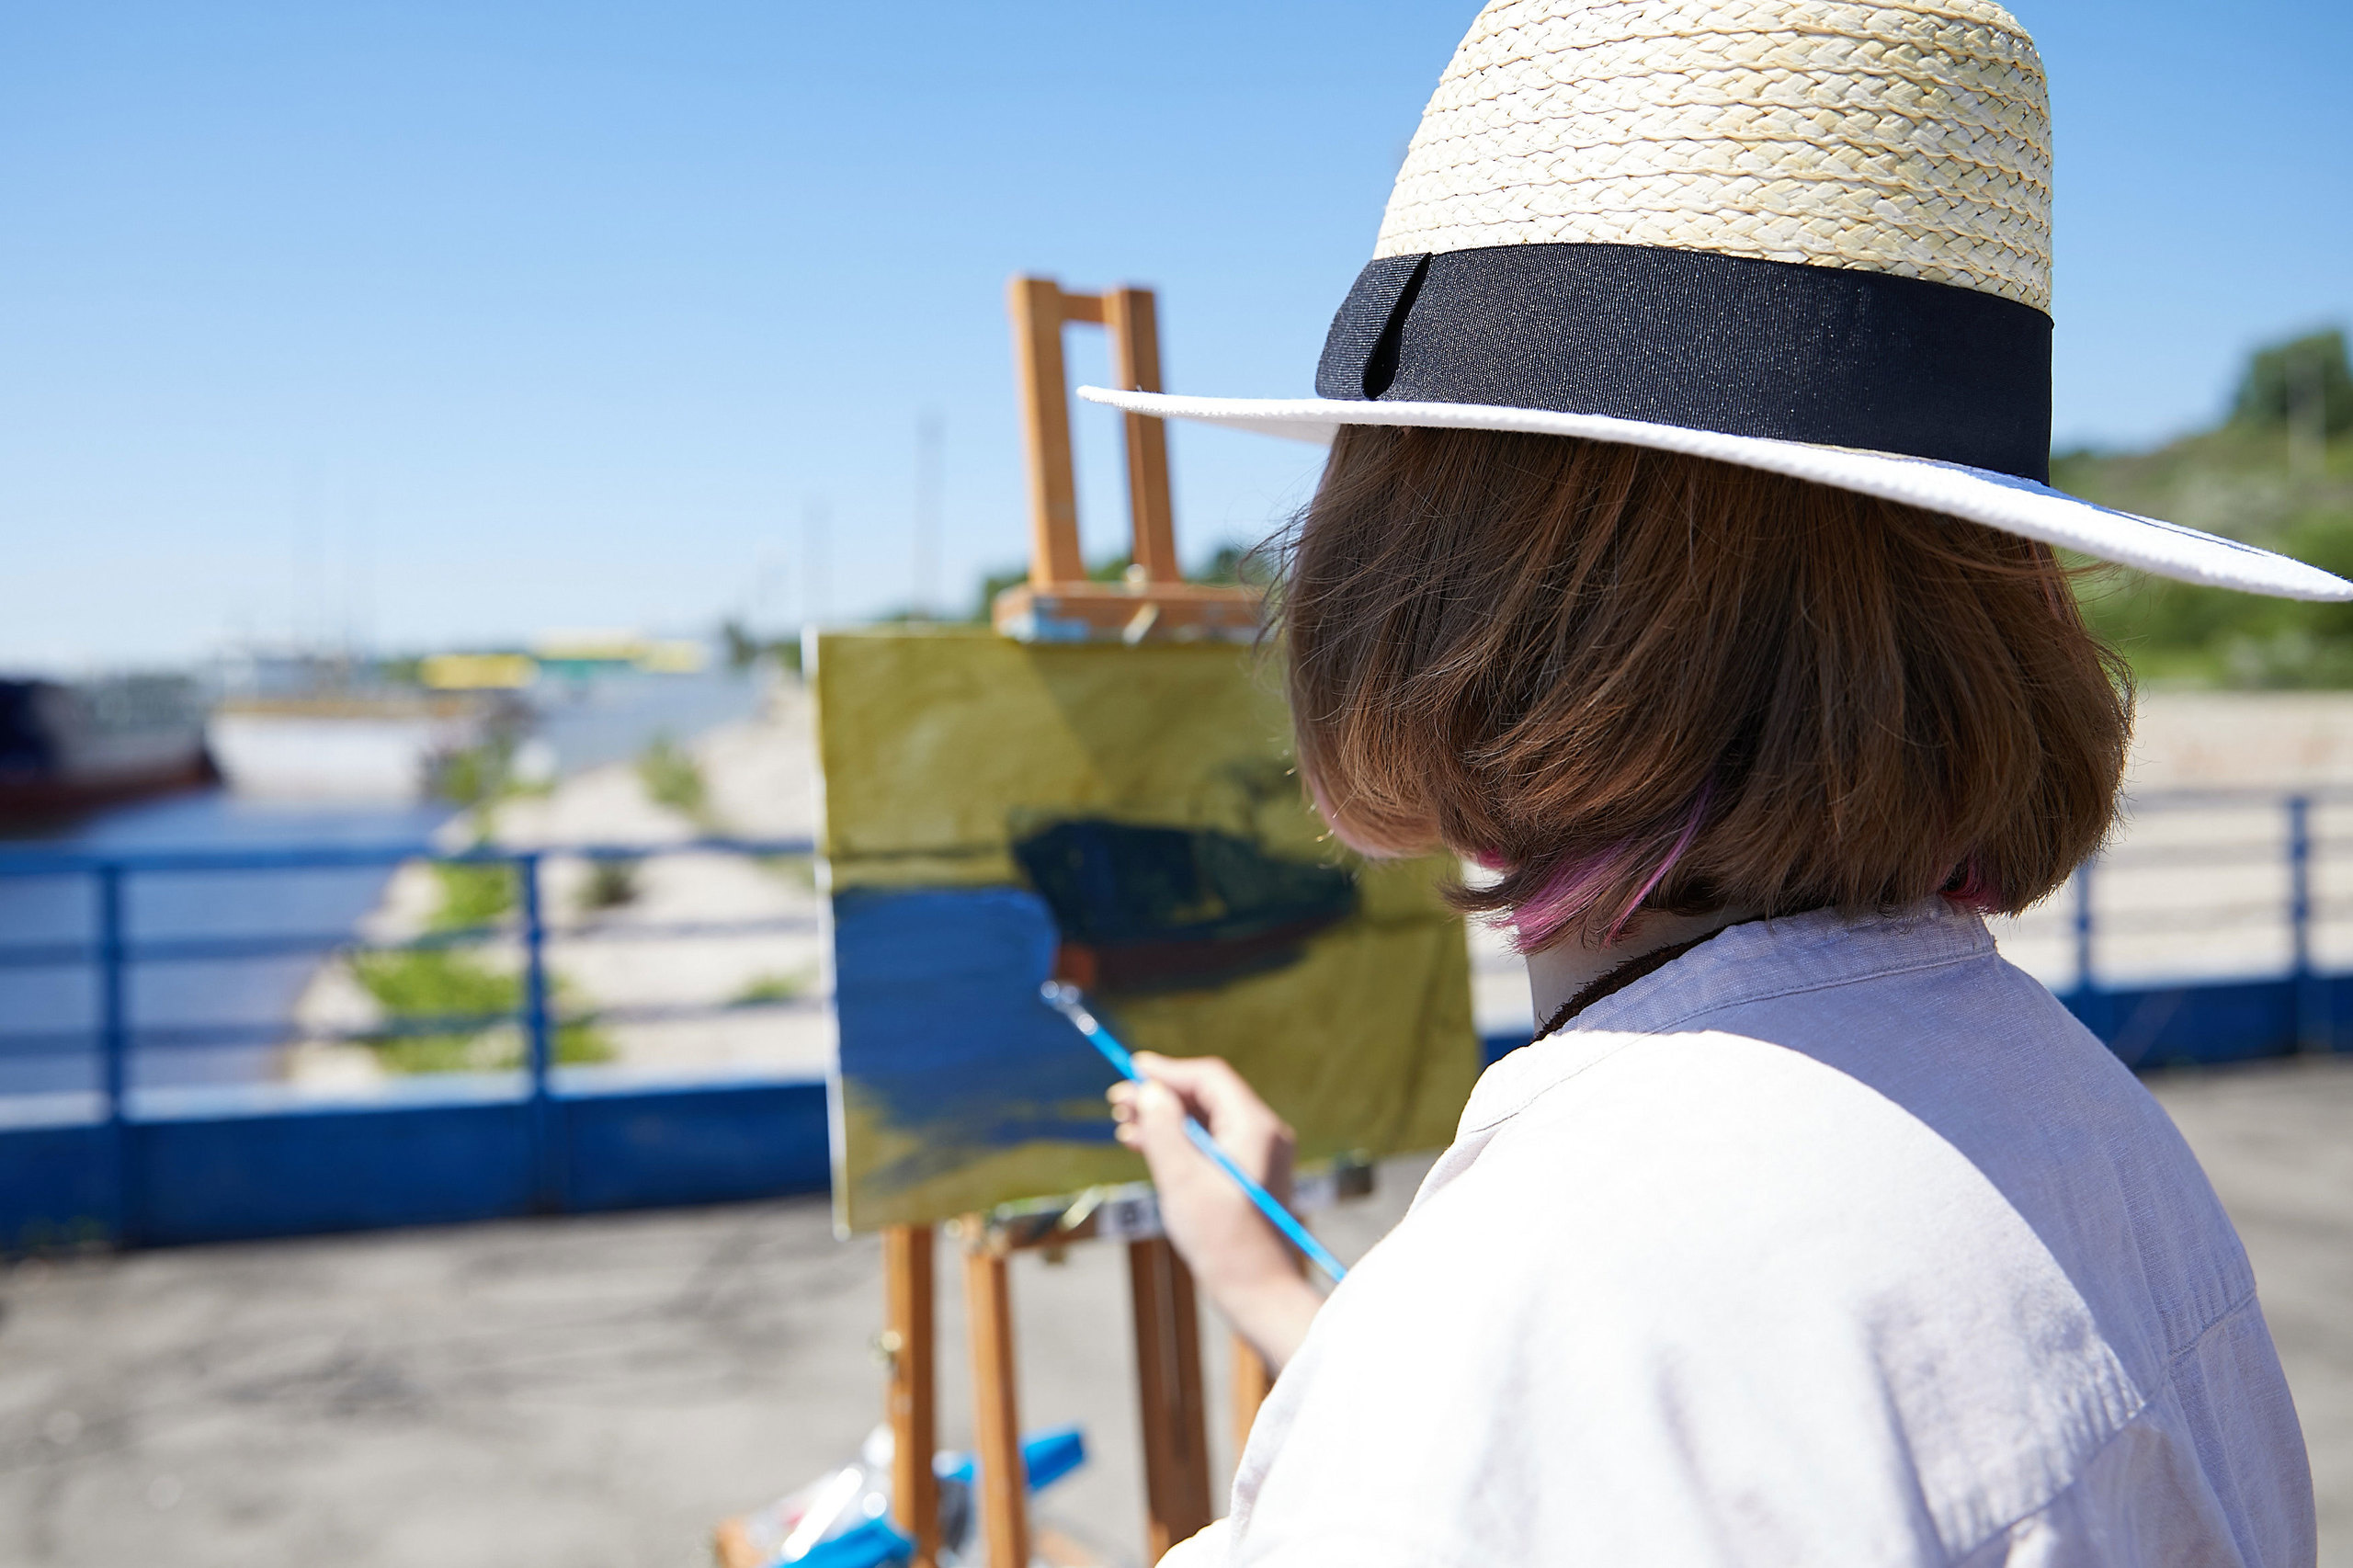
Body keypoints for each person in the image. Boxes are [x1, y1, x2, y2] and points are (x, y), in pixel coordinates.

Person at [1084, 2, 2342, 1562]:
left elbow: (1566, 1424)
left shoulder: (1542, 1318)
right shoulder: (2071, 1117)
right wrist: (1296, 1305)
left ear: (1423, 595)